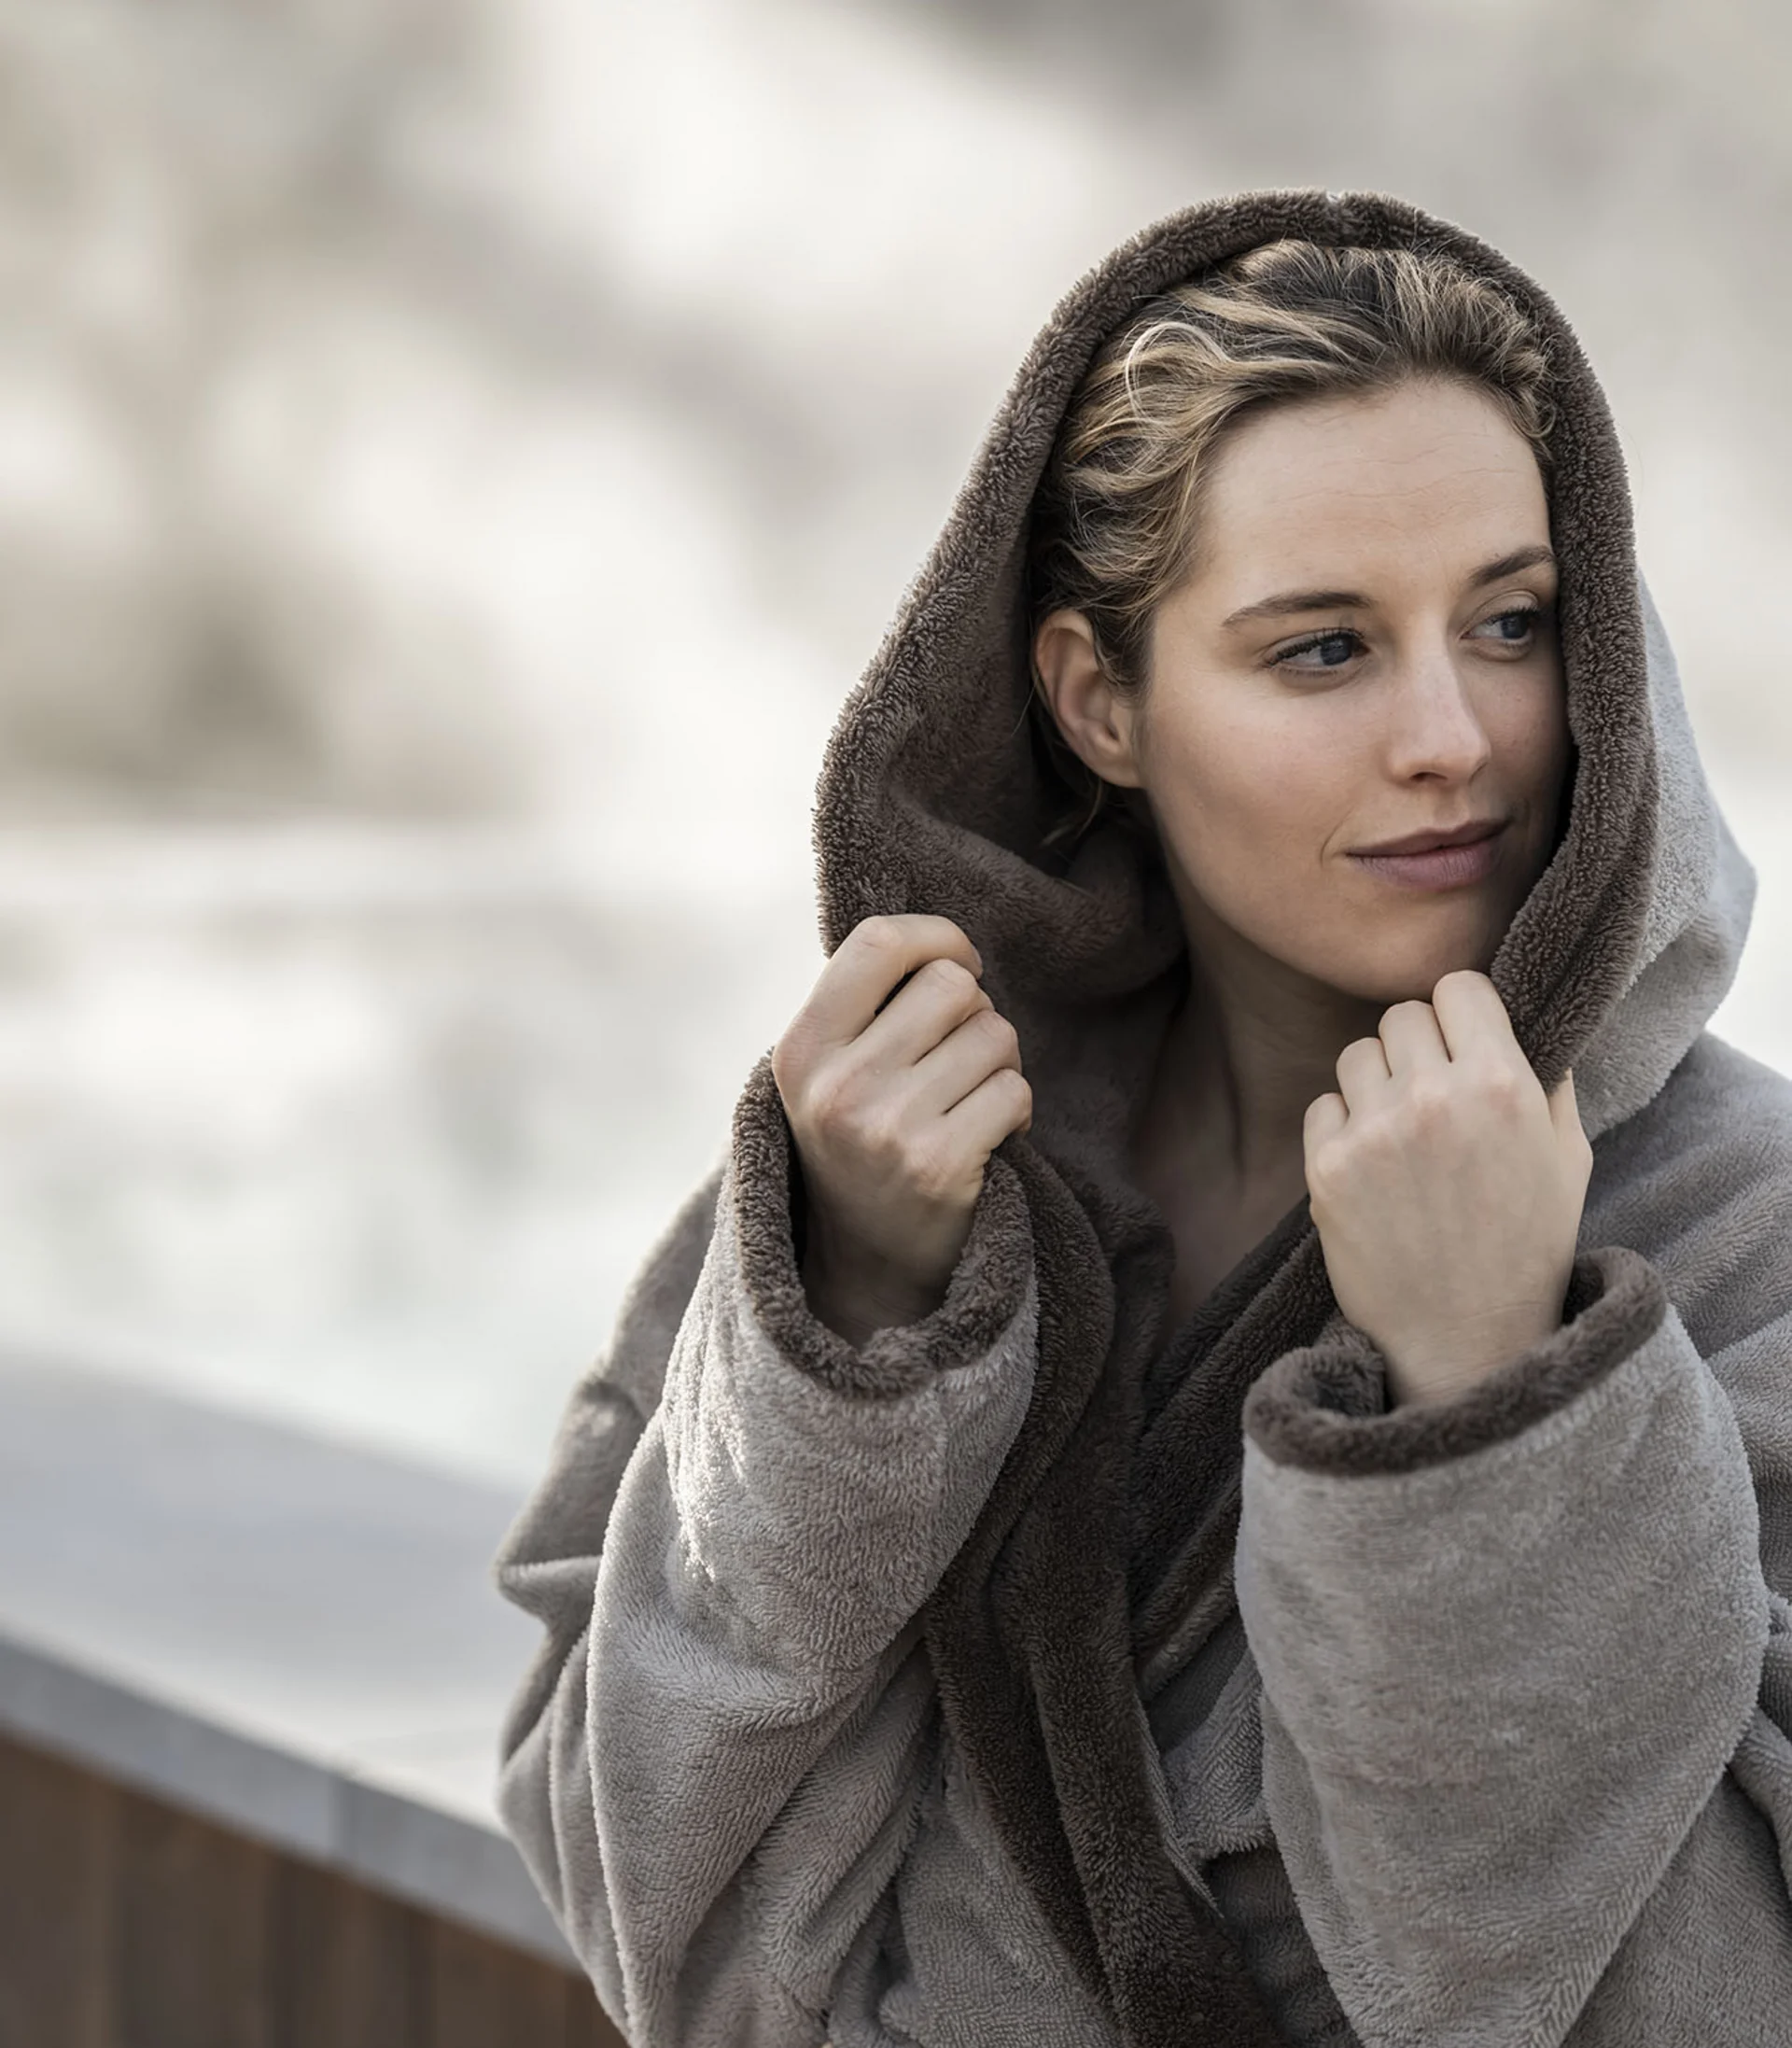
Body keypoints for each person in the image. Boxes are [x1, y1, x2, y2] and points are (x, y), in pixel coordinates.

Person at [491, 191, 1792, 2048]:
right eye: (1323, 649)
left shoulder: (1747, 1230)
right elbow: (646, 1901)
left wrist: (1500, 1394)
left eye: (1512, 621)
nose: (1457, 734)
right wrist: (851, 1341)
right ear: (1102, 699)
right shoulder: (896, 1185)